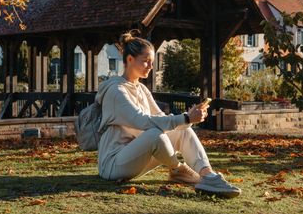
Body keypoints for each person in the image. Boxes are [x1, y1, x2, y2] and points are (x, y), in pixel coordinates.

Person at [95, 30, 241, 198]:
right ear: (129, 60)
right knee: (154, 135)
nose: (151, 66)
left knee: (183, 130)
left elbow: (160, 118)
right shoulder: (116, 91)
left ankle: (208, 176)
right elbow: (143, 121)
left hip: (135, 158)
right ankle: (178, 170)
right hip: (113, 165)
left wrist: (188, 117)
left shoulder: (141, 89)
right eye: (146, 61)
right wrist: (185, 118)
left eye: (152, 62)